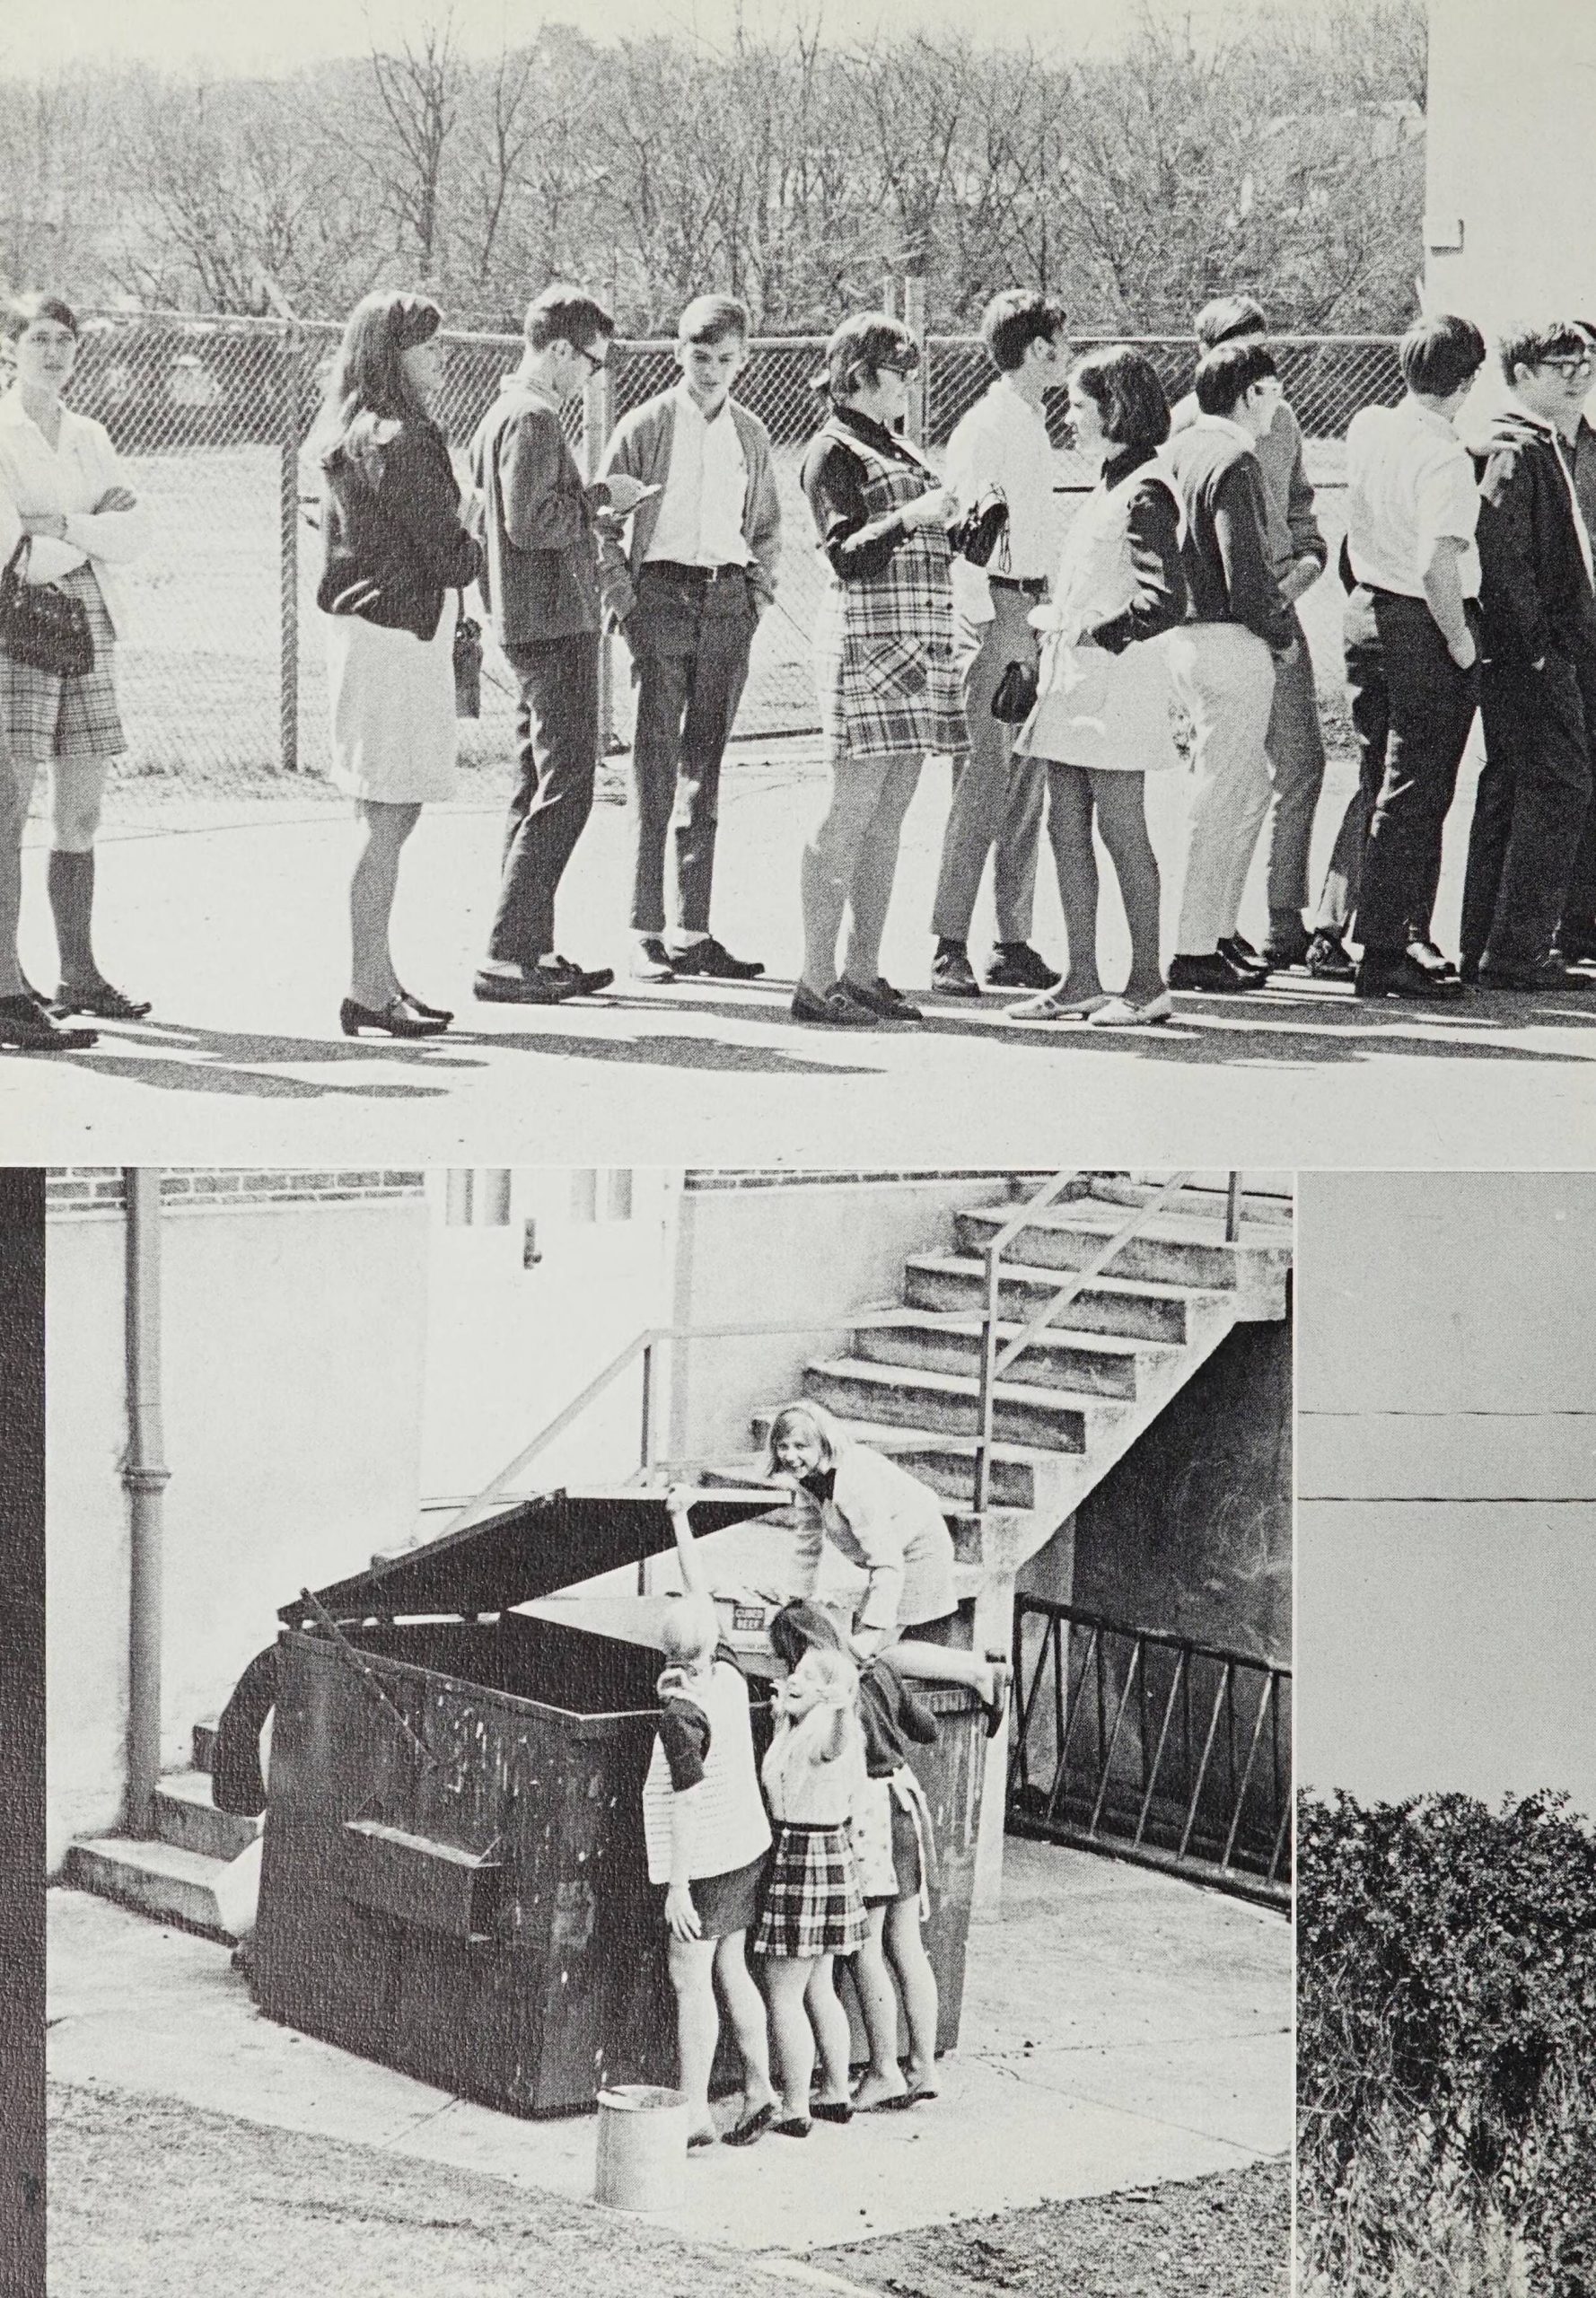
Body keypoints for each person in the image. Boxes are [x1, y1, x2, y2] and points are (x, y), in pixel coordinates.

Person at [469, 285, 653, 1006]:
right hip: (551, 620)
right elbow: (530, 523)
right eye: (590, 361)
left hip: (527, 618)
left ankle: (528, 949)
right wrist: (605, 498)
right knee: (567, 787)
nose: (592, 376)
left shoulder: (502, 413)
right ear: (557, 351)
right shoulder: (537, 417)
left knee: (536, 782)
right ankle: (507, 953)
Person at [598, 294, 781, 984]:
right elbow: (602, 523)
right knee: (654, 765)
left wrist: (757, 595)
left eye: (726, 360)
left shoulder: (750, 434)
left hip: (726, 601)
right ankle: (644, 929)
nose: (711, 371)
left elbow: (765, 526)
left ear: (743, 360)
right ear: (679, 353)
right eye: (699, 357)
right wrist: (625, 600)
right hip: (661, 600)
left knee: (705, 769)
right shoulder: (646, 427)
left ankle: (692, 929)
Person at [314, 290, 483, 1038]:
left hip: (375, 637)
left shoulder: (359, 431)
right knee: (387, 819)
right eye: (428, 347)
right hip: (396, 639)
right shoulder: (404, 438)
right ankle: (366, 988)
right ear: (394, 354)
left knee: (385, 814)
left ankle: (378, 980)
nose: (439, 359)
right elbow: (450, 555)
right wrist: (473, 530)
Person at [1007, 346, 1188, 1027]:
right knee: (1066, 827)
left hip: (1119, 687)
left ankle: (1147, 984)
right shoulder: (1111, 481)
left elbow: (1164, 599)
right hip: (1074, 687)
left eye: (1080, 405)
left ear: (1116, 408)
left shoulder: (1146, 489)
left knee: (1122, 831)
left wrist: (1088, 634)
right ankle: (1080, 978)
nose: (1069, 417)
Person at [794, 311, 965, 1026]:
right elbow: (845, 555)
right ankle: (814, 977)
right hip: (867, 645)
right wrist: (914, 517)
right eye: (898, 373)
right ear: (858, 373)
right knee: (850, 814)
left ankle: (863, 970)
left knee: (890, 816)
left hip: (917, 643)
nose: (907, 386)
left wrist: (963, 522)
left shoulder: (894, 443)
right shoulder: (832, 451)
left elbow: (926, 536)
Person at [0, 292, 153, 1022]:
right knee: (11, 802)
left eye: (64, 338)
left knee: (81, 809)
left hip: (89, 622)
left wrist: (61, 523)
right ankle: (6, 979)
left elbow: (134, 531)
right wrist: (86, 535)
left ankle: (80, 974)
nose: (53, 353)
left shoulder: (89, 434)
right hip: (21, 626)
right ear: (12, 347)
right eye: (39, 338)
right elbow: (13, 552)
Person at [1172, 295, 1335, 974]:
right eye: (1243, 351)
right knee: (1227, 779)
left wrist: (1307, 560)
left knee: (1299, 764)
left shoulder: (1281, 420)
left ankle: (1279, 917)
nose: (1266, 378)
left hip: (1272, 607)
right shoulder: (1186, 430)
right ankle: (1207, 932)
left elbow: (1299, 509)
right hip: (1228, 622)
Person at [1340, 312, 1487, 999]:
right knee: (1417, 790)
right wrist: (1462, 643)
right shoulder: (1446, 458)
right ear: (1466, 382)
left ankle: (1367, 931)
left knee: (1379, 779)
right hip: (1424, 622)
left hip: (1368, 610)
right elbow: (1437, 564)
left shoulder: (1372, 426)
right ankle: (1385, 945)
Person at [930, 290, 1070, 998]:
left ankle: (1011, 940)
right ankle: (948, 943)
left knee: (1026, 784)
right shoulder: (987, 426)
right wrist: (987, 625)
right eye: (1059, 343)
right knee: (982, 778)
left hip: (1036, 606)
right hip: (999, 612)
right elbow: (968, 539)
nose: (1067, 355)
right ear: (1038, 349)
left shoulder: (1030, 421)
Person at [1458, 321, 1596, 989]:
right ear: (1520, 374)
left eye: (1585, 359)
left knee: (1519, 783)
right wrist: (1536, 650)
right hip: (1530, 653)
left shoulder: (1567, 444)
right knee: (1554, 783)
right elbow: (1501, 557)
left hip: (1567, 645)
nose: (1577, 371)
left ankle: (1494, 943)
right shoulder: (1513, 446)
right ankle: (1515, 950)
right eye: (1559, 362)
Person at [642, 1494, 778, 2151]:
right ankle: (761, 2090)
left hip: (703, 1862)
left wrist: (676, 1888)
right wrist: (679, 1520)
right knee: (734, 1971)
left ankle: (695, 2108)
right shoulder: (727, 1672)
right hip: (747, 1847)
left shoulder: (681, 1715)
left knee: (689, 1981)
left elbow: (685, 1802)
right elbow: (700, 1594)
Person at [769, 1601, 943, 2112]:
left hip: (868, 1820)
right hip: (905, 1804)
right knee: (907, 1946)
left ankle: (885, 2070)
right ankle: (923, 2066)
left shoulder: (833, 1695)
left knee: (865, 1951)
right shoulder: (880, 1669)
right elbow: (928, 1728)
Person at [1163, 338, 1298, 993]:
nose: (1279, 404)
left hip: (1190, 638)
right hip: (1229, 637)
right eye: (1272, 391)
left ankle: (1213, 935)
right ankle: (1194, 947)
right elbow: (1245, 568)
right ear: (1249, 394)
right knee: (1224, 797)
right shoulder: (1235, 457)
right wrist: (1281, 632)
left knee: (1234, 792)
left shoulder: (1182, 447)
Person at [761, 1400, 1010, 1730]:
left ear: (823, 1444)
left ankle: (980, 1673)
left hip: (918, 1551)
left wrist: (873, 1631)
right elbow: (807, 1546)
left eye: (800, 1446)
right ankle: (983, 1667)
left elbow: (888, 1564)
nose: (790, 1456)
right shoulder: (810, 1481)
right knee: (866, 1650)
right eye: (783, 1446)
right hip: (896, 1555)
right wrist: (794, 1605)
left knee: (873, 1654)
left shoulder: (852, 1481)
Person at [750, 1641, 869, 2134]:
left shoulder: (829, 1731)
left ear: (831, 1693)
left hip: (802, 1854)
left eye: (806, 1677)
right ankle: (836, 2092)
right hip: (830, 1855)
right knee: (819, 1986)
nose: (791, 1680)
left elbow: (833, 1743)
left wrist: (838, 1705)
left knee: (783, 1993)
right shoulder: (800, 1727)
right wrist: (784, 1717)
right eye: (793, 1672)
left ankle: (796, 2105)